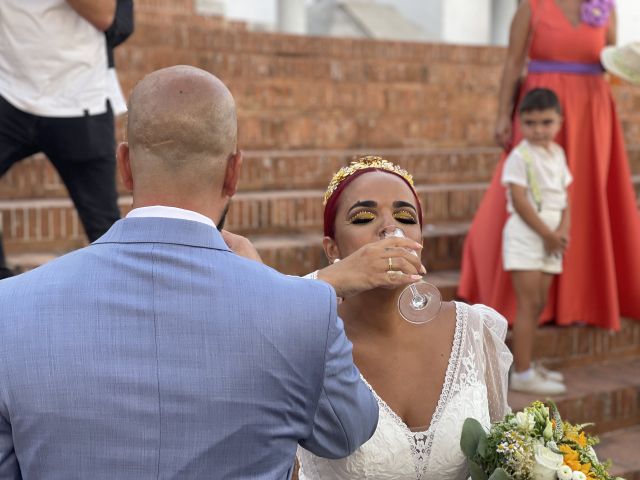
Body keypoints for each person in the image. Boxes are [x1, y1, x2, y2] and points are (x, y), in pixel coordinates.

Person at [0, 66, 379, 478]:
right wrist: (278, 292)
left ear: (124, 164)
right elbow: (348, 430)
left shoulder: (10, 307)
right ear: (234, 171)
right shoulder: (303, 310)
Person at [292, 156, 512, 479]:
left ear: (420, 241)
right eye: (364, 217)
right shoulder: (303, 334)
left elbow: (503, 458)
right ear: (332, 249)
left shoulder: (475, 330)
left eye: (405, 217)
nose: (389, 229)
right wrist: (329, 281)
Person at [459, 0, 640, 331]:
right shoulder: (532, 5)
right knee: (525, 190)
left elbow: (610, 59)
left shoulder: (604, 7)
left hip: (591, 115)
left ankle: (585, 298)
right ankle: (520, 297)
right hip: (541, 114)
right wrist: (503, 113)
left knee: (586, 200)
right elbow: (513, 62)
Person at [0, 0, 121, 279]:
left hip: (78, 98)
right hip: (9, 92)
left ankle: (123, 299)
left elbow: (105, 14)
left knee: (103, 225)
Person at [502, 88, 570, 395]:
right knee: (527, 305)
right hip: (528, 236)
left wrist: (561, 234)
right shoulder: (520, 156)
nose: (538, 130)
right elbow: (519, 199)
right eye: (530, 123)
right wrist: (547, 235)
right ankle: (523, 372)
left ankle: (530, 363)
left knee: (539, 304)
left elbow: (565, 199)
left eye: (546, 122)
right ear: (521, 124)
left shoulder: (557, 154)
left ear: (560, 122)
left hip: (552, 240)